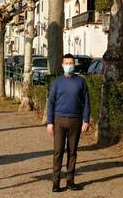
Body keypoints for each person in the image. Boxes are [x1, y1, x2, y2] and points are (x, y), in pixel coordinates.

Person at [47, 53, 90, 192]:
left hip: (76, 121)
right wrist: (50, 122)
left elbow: (86, 102)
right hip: (59, 120)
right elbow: (51, 102)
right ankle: (56, 182)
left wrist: (86, 120)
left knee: (72, 152)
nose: (69, 65)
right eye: (66, 63)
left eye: (71, 63)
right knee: (58, 151)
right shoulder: (57, 82)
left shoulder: (81, 81)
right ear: (62, 64)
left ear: (74, 64)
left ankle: (70, 181)